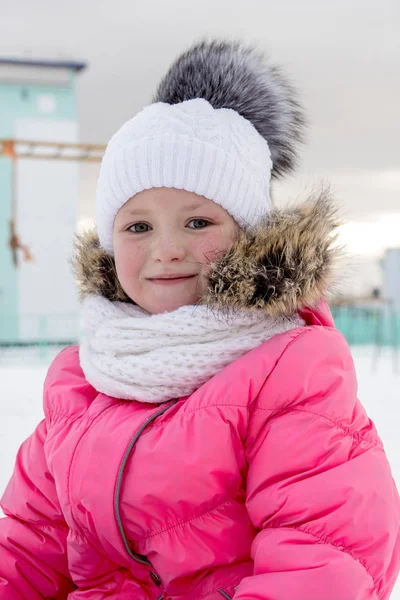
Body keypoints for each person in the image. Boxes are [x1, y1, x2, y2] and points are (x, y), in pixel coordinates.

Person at [0, 40, 399, 600]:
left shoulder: (288, 373)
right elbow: (25, 547)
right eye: (138, 227)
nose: (166, 249)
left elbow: (322, 560)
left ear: (247, 235)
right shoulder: (83, 383)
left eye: (197, 222)